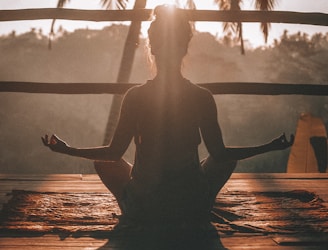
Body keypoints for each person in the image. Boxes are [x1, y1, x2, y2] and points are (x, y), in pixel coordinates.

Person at [42, 5, 294, 227]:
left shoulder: (136, 96)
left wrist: (69, 150)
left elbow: (113, 153)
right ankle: (202, 202)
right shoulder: (202, 96)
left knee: (104, 162)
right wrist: (270, 146)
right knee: (225, 159)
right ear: (185, 48)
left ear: (152, 48)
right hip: (191, 206)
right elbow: (221, 154)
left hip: (146, 208)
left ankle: (132, 209)